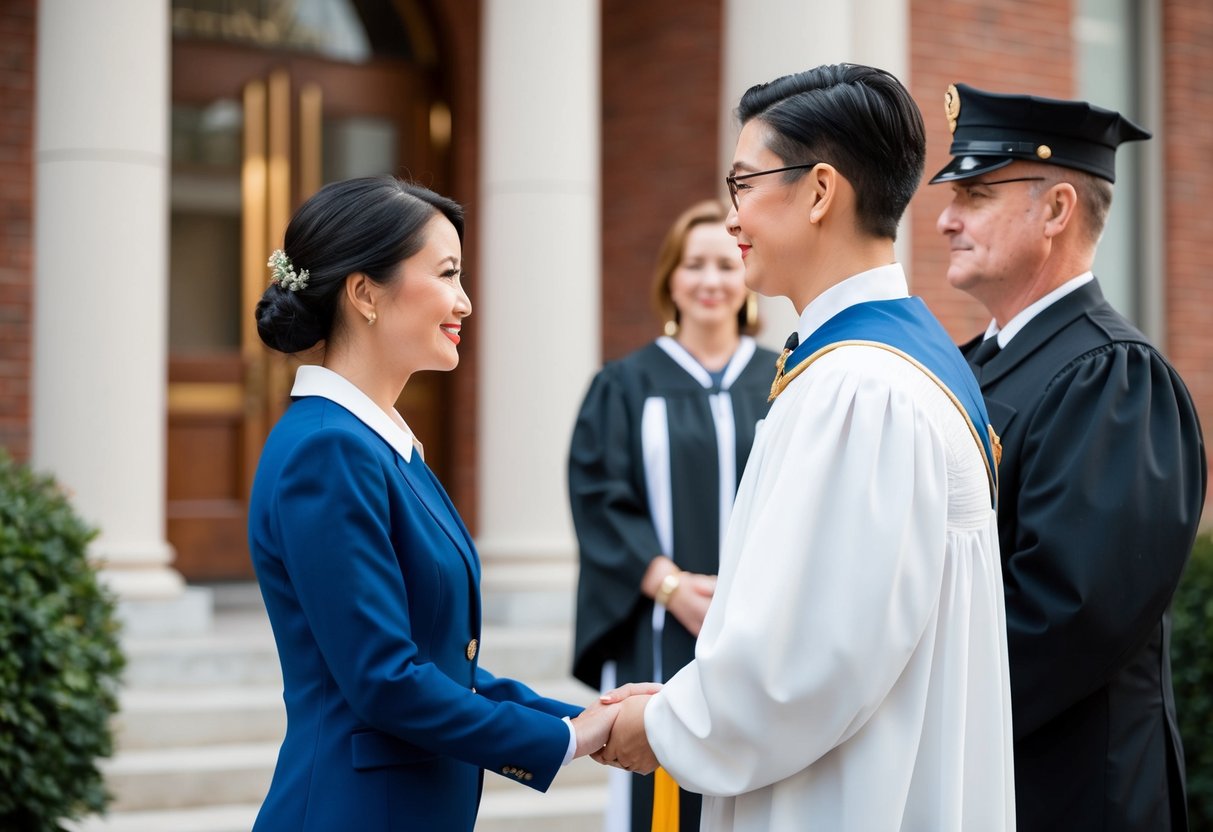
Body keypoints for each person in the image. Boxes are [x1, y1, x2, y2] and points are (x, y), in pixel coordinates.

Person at [597, 64, 1015, 831]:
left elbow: (807, 665)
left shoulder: (859, 388)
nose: (731, 219)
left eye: (743, 184)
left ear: (820, 191)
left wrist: (662, 727)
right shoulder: (896, 361)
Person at [247, 176, 629, 831]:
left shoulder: (378, 444)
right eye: (448, 274)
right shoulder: (327, 450)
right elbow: (385, 678)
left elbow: (444, 665)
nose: (466, 302)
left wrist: (587, 722)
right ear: (365, 293)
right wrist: (567, 742)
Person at [931, 83, 1208, 831]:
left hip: (1071, 796)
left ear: (1055, 210)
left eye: (977, 193)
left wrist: (910, 715)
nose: (944, 219)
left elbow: (1066, 616)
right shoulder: (972, 364)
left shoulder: (1112, 376)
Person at [568, 199, 777, 832]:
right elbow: (599, 496)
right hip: (655, 625)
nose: (710, 281)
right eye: (694, 265)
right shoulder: (625, 385)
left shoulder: (785, 377)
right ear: (671, 279)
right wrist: (670, 585)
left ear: (746, 276)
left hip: (759, 624)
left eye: (725, 263)